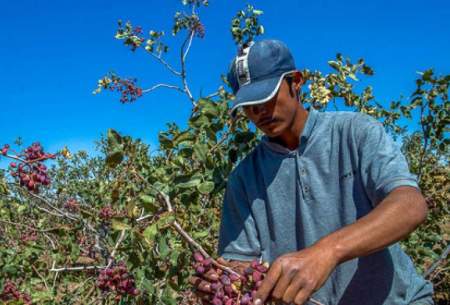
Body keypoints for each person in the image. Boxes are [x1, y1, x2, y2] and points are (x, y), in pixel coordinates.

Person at [190, 39, 434, 305]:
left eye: (266, 96)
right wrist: (223, 283)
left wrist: (328, 251)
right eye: (249, 105)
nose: (259, 111)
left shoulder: (355, 132)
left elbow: (410, 205)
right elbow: (240, 266)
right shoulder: (244, 178)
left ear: (296, 82)